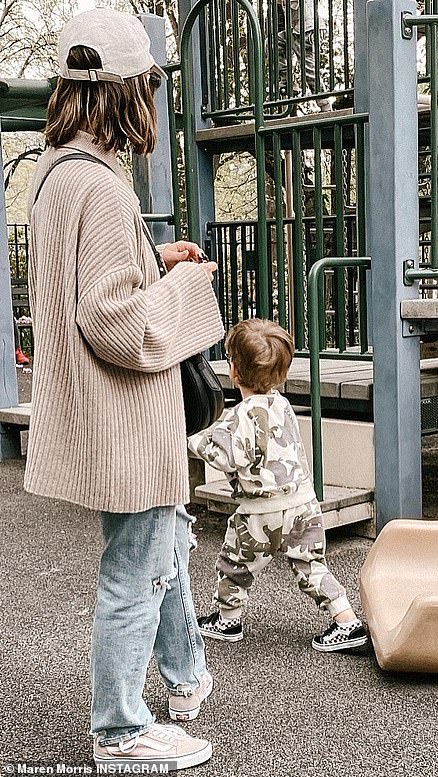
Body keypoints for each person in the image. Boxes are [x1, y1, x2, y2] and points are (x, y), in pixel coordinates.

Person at [25, 8, 224, 770]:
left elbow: (89, 277)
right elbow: (111, 319)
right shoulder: (102, 188)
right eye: (146, 85)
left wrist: (152, 257)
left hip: (96, 410)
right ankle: (120, 729)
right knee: (137, 566)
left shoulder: (60, 170)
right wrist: (186, 287)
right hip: (123, 412)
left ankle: (183, 677)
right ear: (125, 91)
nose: (151, 98)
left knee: (162, 539)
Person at [191, 319, 368, 652]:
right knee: (312, 566)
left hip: (260, 514)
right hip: (302, 505)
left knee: (235, 565)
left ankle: (228, 619)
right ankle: (347, 622)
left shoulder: (242, 414)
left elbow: (230, 458)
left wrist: (193, 441)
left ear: (234, 372)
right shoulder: (282, 405)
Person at [277, 0, 332, 112]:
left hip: (307, 28)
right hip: (295, 28)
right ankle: (289, 84)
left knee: (309, 70)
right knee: (274, 43)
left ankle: (325, 106)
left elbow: (294, 4)